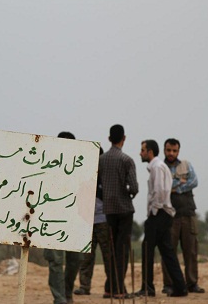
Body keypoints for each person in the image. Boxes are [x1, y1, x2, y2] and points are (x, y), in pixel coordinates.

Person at [134, 139, 188, 298]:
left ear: (150, 151)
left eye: (142, 150)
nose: (140, 153)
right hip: (164, 214)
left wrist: (153, 212)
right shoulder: (159, 166)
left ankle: (147, 288)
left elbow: (159, 191)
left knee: (147, 249)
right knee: (167, 251)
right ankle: (180, 287)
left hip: (159, 214)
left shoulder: (157, 167)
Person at [98, 124, 139, 299]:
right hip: (124, 209)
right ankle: (119, 290)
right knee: (122, 251)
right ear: (124, 138)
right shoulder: (127, 160)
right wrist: (128, 193)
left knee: (113, 250)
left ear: (109, 139)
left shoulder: (101, 160)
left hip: (109, 210)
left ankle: (109, 287)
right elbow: (134, 187)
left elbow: (98, 184)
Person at [161, 138, 205, 294]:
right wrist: (180, 182)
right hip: (168, 216)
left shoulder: (186, 165)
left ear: (178, 151)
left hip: (188, 214)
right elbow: (163, 187)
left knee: (191, 251)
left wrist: (176, 187)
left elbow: (194, 181)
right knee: (168, 251)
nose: (171, 153)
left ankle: (192, 283)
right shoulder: (161, 167)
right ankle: (168, 284)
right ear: (164, 150)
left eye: (174, 150)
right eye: (168, 150)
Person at [44, 131, 83, 304]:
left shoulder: (81, 166)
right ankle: (60, 299)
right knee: (55, 261)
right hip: (51, 219)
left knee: (76, 259)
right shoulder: (46, 165)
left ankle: (67, 293)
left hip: (74, 219)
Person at [74, 148, 112, 297]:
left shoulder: (107, 178)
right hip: (87, 222)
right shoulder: (85, 179)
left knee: (108, 257)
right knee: (86, 258)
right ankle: (84, 287)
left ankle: (111, 287)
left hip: (103, 221)